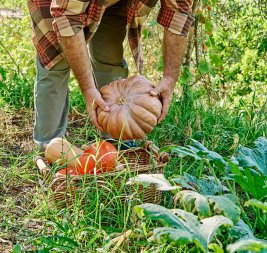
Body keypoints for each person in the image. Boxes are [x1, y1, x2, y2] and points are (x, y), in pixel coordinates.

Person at [27, 0, 193, 151]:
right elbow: (66, 18)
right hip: (59, 6)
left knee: (109, 54)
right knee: (55, 62)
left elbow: (178, 13)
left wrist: (170, 78)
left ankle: (116, 137)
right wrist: (88, 89)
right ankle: (49, 146)